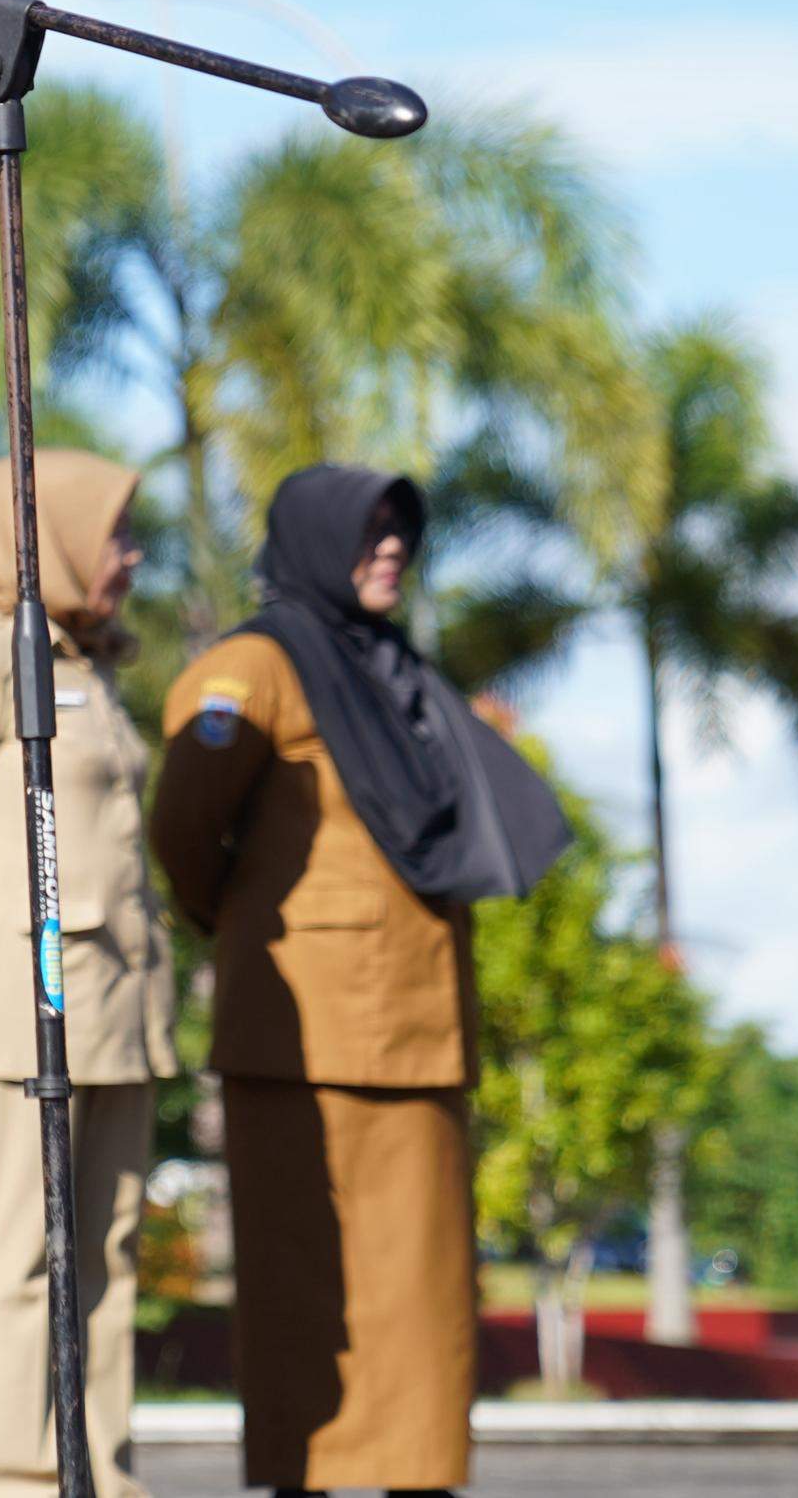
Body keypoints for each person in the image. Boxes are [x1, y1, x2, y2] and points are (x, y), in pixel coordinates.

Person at [147, 467, 570, 1498]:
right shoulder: (254, 665)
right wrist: (246, 927)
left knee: (421, 1291)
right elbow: (182, 826)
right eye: (368, 530)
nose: (389, 548)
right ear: (312, 536)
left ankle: (416, 1478)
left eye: (399, 532)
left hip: (419, 1029)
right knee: (306, 1285)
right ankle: (308, 1478)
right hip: (299, 1036)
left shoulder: (395, 670)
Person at [0, 451, 182, 1498]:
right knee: (18, 1263)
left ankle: (95, 1473)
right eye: (114, 534)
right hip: (21, 1013)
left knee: (102, 1260)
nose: (131, 556)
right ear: (46, 533)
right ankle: (10, 1480)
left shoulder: (85, 664)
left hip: (113, 1013)